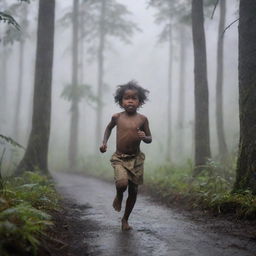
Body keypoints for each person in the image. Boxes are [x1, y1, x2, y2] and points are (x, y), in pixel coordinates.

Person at [99, 80, 152, 231]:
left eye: (134, 98)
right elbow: (108, 129)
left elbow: (150, 139)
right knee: (122, 184)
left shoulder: (142, 119)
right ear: (120, 101)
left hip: (136, 160)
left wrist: (144, 137)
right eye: (126, 98)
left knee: (134, 191)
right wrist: (104, 143)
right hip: (120, 158)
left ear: (139, 101)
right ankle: (118, 194)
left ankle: (125, 219)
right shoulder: (117, 117)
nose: (130, 100)